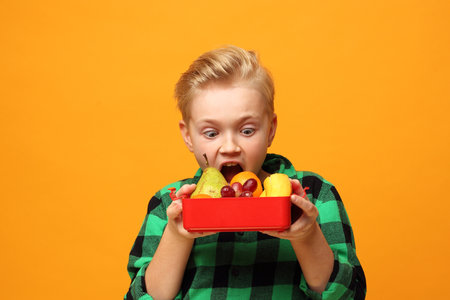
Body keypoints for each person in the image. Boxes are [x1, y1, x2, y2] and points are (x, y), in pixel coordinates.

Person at [125, 45, 366, 300]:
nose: (230, 147)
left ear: (270, 129)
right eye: (211, 133)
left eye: (247, 130)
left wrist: (306, 236)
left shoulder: (314, 196)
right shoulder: (167, 205)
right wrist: (176, 236)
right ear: (188, 136)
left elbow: (348, 295)